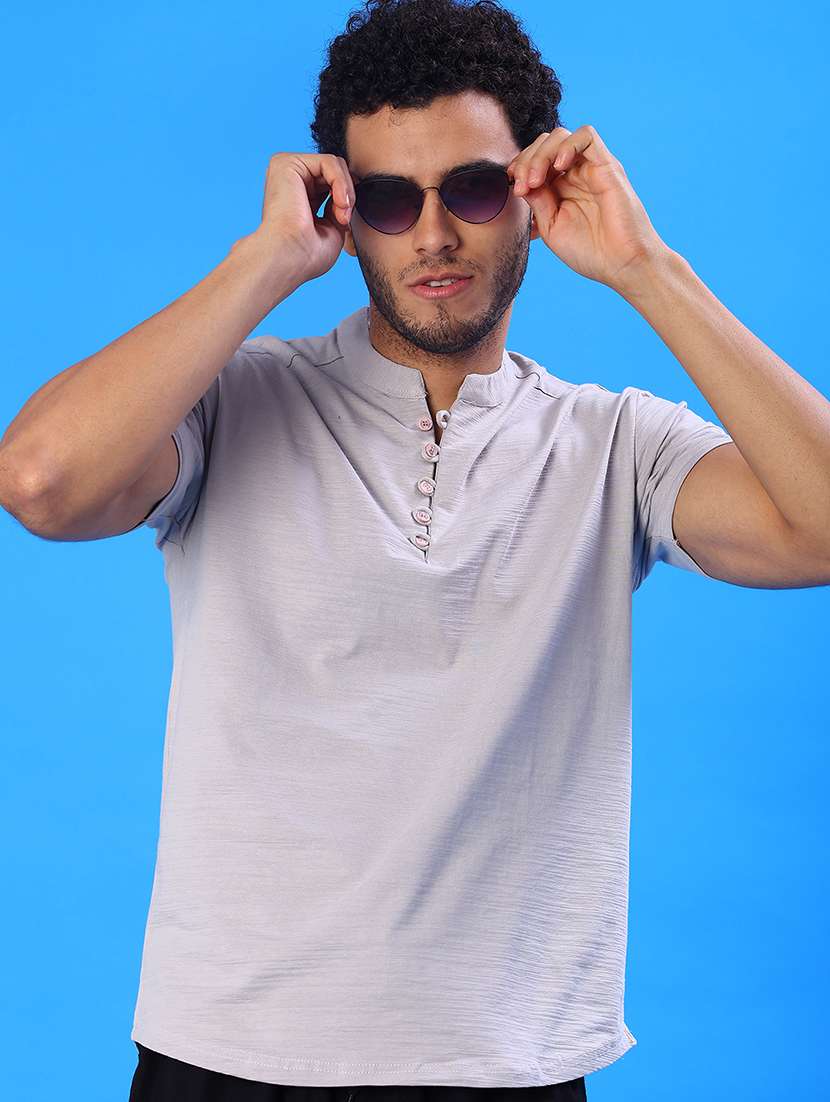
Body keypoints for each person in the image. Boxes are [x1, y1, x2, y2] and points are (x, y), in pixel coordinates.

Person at [3, 0, 829, 1099]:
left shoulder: (612, 444)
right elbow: (40, 482)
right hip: (225, 1056)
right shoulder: (231, 402)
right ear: (346, 212)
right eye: (390, 199)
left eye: (474, 189)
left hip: (504, 1067)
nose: (433, 235)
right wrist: (263, 262)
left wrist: (647, 267)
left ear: (533, 192)